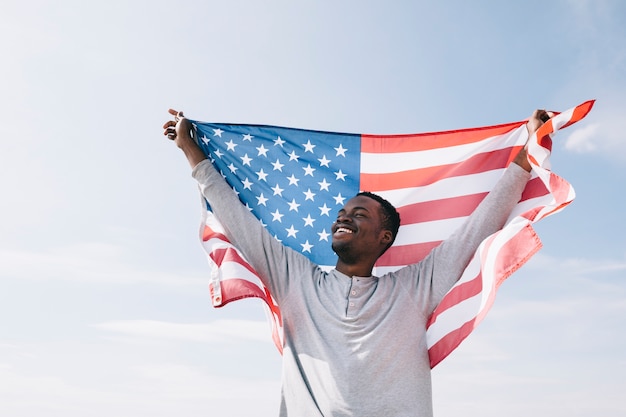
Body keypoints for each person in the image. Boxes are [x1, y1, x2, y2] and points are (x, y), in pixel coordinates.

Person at [163, 109, 551, 417]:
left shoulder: (415, 288)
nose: (343, 217)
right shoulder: (295, 279)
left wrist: (527, 152)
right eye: (343, 212)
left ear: (385, 237)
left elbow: (477, 229)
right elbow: (237, 218)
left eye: (359, 214)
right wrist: (190, 150)